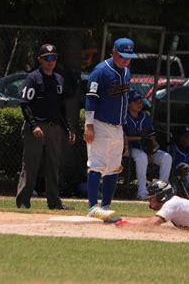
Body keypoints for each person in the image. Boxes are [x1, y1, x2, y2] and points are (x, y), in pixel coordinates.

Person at [16, 43, 76, 210]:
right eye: (47, 58)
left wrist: (68, 128)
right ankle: (23, 202)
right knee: (30, 165)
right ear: (40, 60)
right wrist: (33, 125)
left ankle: (54, 202)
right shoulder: (33, 78)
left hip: (54, 128)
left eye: (54, 58)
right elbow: (25, 104)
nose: (51, 61)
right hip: (36, 128)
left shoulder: (59, 79)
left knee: (54, 166)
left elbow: (61, 108)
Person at [84, 37, 137, 221]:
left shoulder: (126, 72)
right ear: (114, 52)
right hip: (99, 124)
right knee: (97, 165)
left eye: (129, 57)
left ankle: (106, 205)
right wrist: (89, 126)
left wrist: (122, 130)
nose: (126, 60)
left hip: (117, 126)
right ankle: (92, 206)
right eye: (122, 56)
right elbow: (91, 98)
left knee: (114, 167)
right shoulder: (101, 71)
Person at [123, 89, 172, 200]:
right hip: (129, 149)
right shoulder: (123, 117)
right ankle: (142, 191)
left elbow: (152, 136)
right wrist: (138, 138)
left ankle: (162, 191)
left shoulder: (144, 117)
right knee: (141, 156)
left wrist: (152, 149)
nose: (139, 104)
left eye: (140, 101)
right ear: (129, 103)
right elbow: (121, 137)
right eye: (135, 102)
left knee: (166, 158)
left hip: (145, 149)